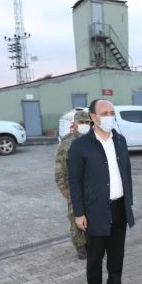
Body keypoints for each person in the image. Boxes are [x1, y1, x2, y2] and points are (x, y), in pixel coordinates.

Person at [68, 98, 135, 284]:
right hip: (95, 209)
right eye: (105, 113)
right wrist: (79, 213)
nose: (110, 116)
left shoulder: (120, 141)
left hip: (119, 207)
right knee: (95, 256)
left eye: (112, 112)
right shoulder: (80, 146)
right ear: (94, 117)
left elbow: (126, 172)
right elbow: (74, 181)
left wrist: (129, 203)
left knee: (117, 253)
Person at [55, 110, 91, 259]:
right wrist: (62, 186)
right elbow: (60, 165)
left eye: (87, 122)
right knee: (75, 215)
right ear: (74, 124)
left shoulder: (93, 139)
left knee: (91, 215)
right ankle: (80, 245)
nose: (84, 125)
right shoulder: (67, 142)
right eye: (81, 122)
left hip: (91, 187)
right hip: (73, 186)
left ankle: (90, 241)